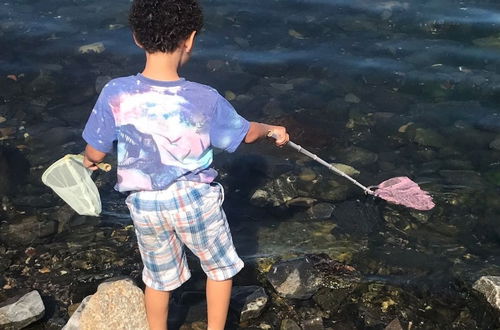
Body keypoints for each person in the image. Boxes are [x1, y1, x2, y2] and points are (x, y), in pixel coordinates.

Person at [81, 0, 289, 329]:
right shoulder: (203, 96)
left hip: (146, 205)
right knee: (219, 270)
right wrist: (271, 129)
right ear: (190, 39)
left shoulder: (115, 92)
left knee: (158, 278)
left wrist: (88, 163)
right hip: (195, 201)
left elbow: (95, 150)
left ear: (136, 37)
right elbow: (246, 134)